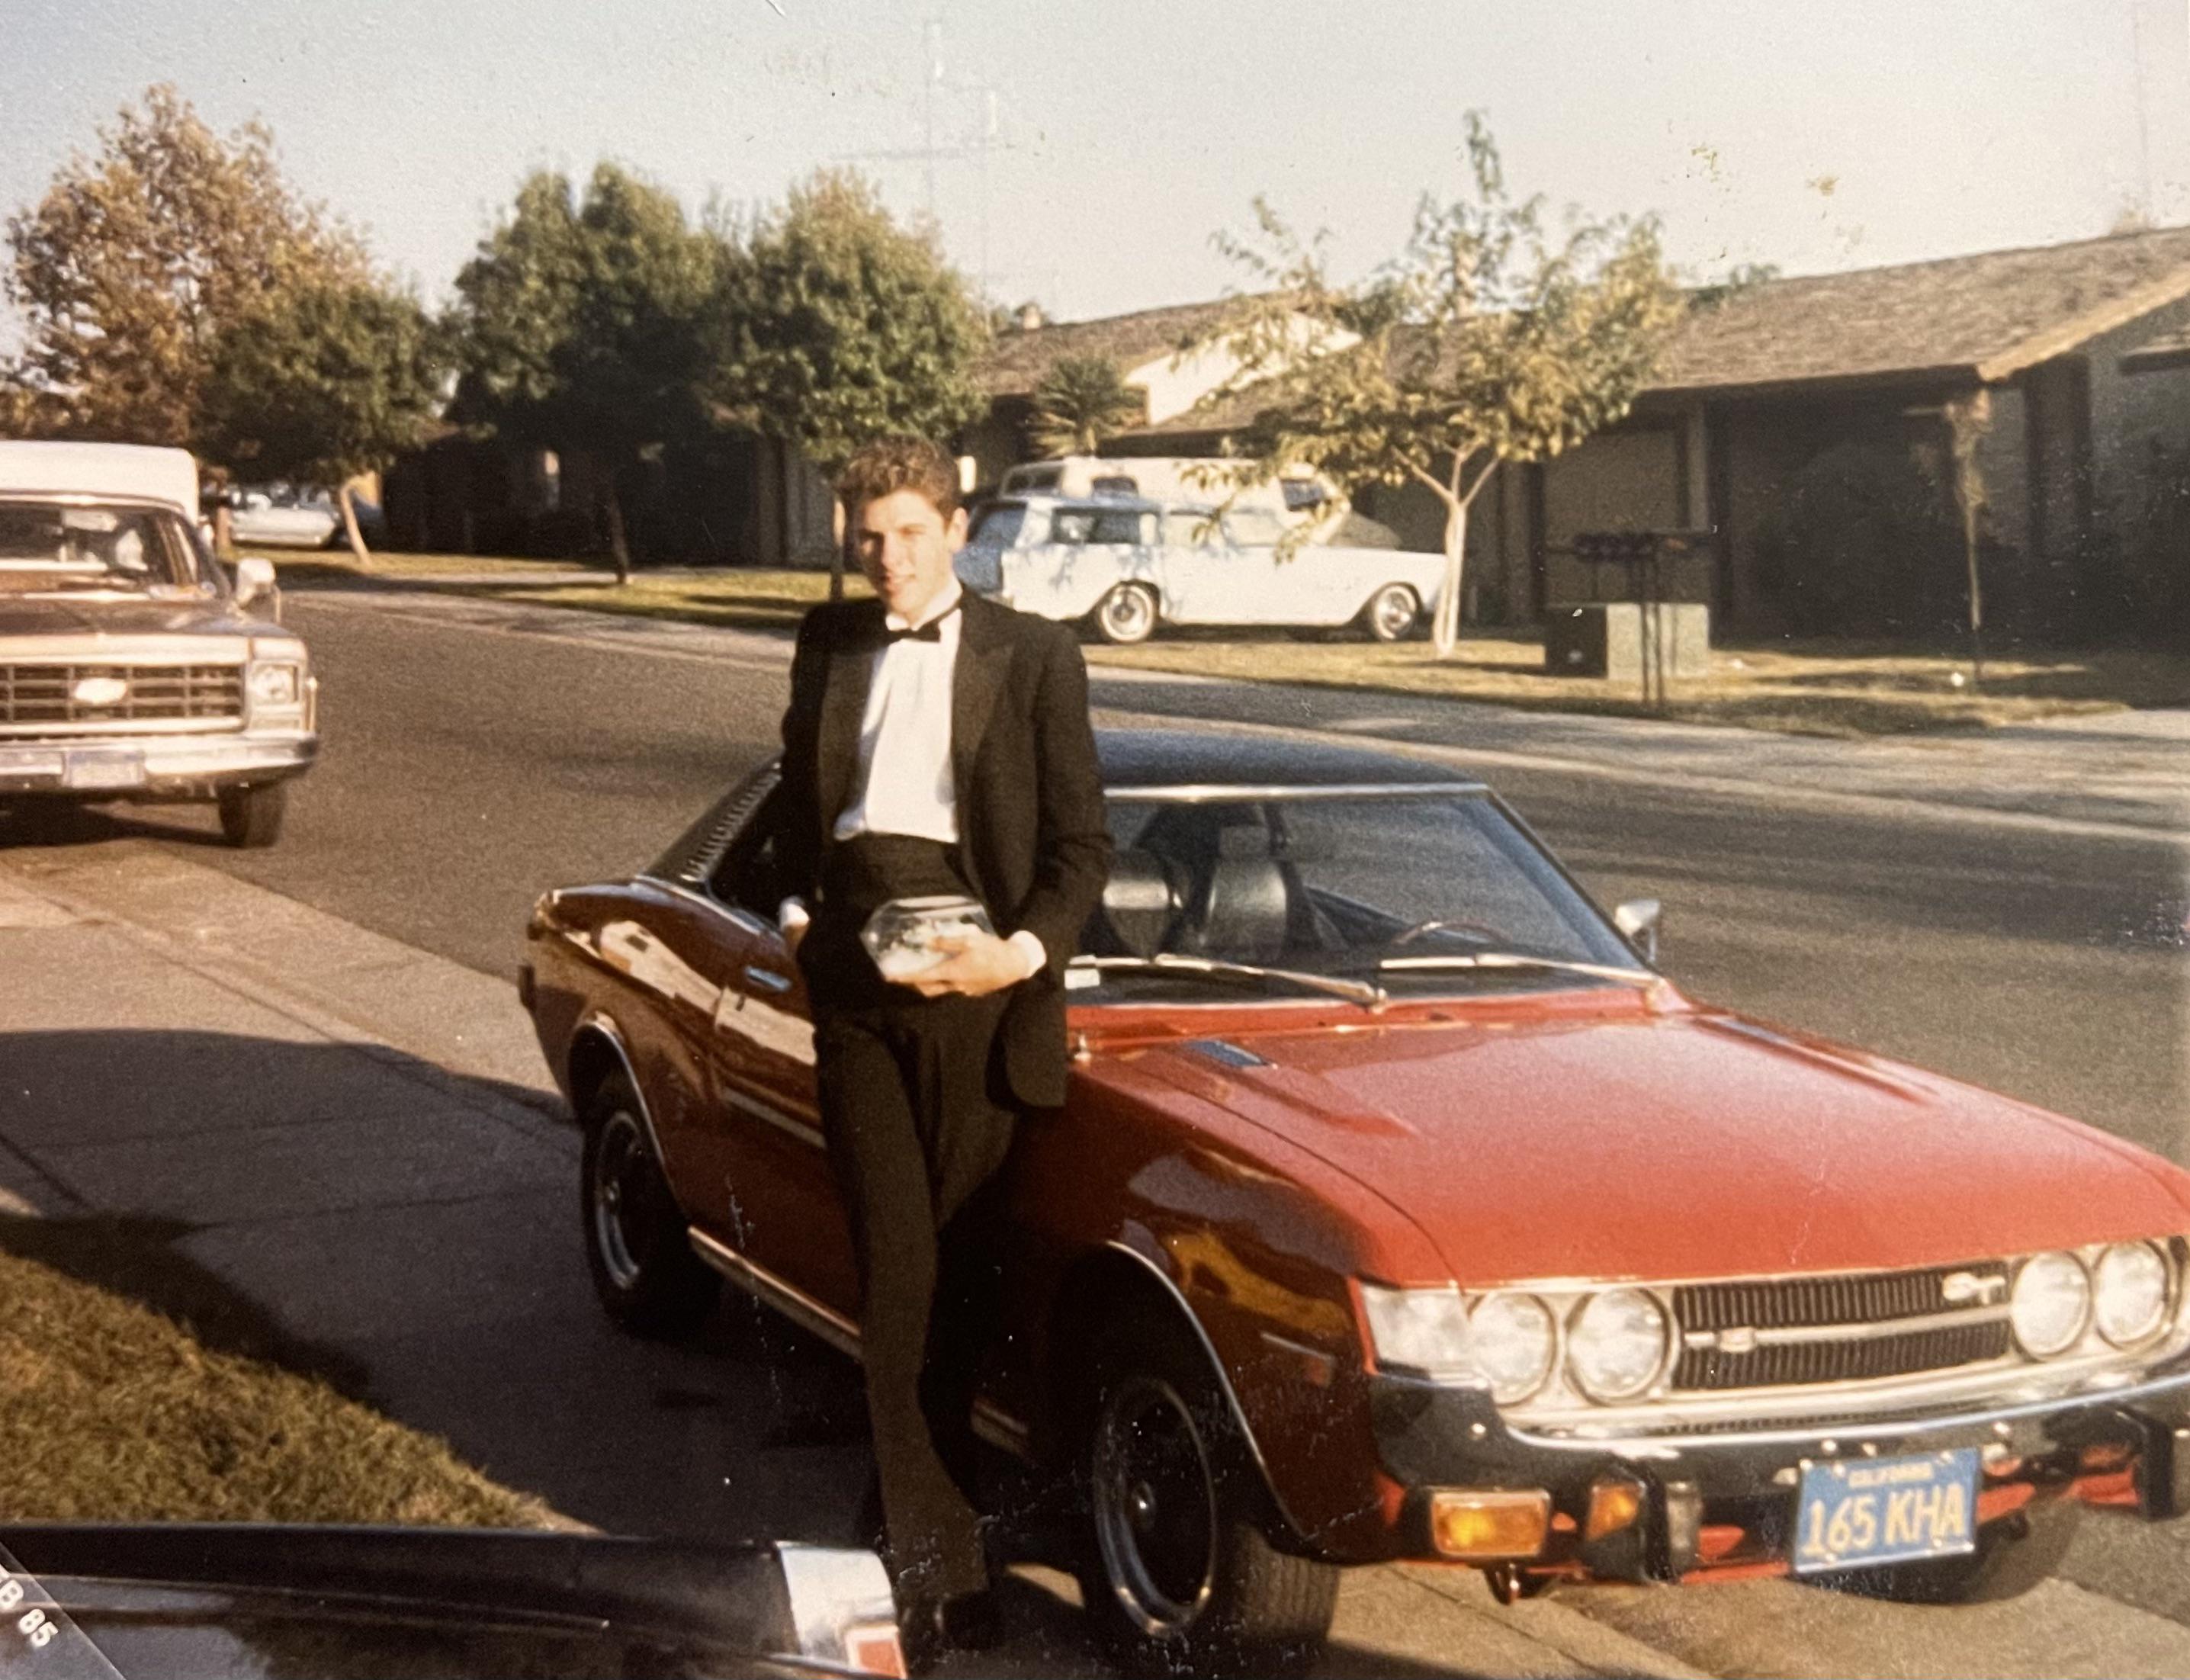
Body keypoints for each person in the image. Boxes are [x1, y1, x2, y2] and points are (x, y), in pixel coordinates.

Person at [768, 435, 1111, 1661]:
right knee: (897, 1278)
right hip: (856, 989)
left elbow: (1081, 851)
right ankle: (935, 1573)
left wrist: (1017, 959)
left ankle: (909, 1530)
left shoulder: (1035, 657)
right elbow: (796, 817)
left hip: (979, 998)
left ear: (957, 528)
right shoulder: (830, 642)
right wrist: (804, 922)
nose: (885, 558)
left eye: (908, 533)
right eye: (866, 536)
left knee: (956, 1294)